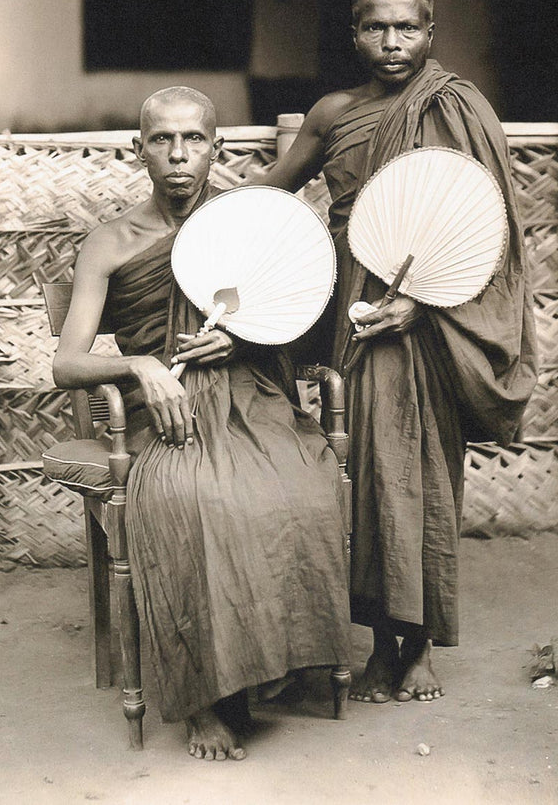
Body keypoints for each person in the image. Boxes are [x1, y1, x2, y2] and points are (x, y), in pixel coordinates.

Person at [257, 0, 538, 704]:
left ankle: (419, 649)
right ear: (353, 33)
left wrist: (422, 300)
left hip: (435, 319)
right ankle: (382, 644)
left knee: (425, 474)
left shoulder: (459, 107)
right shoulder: (333, 113)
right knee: (373, 476)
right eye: (375, 29)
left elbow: (492, 229)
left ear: (430, 31)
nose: (391, 43)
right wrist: (199, 219)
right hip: (358, 308)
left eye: (406, 28)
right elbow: (272, 191)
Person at [52, 86, 350, 760]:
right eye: (162, 140)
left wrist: (241, 343)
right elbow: (67, 365)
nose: (179, 156)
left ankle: (268, 663)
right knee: (192, 499)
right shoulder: (112, 241)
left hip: (251, 394)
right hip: (166, 410)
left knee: (301, 485)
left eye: (194, 140)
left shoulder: (246, 223)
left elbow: (299, 328)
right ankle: (207, 701)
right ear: (139, 150)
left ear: (217, 148)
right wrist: (139, 368)